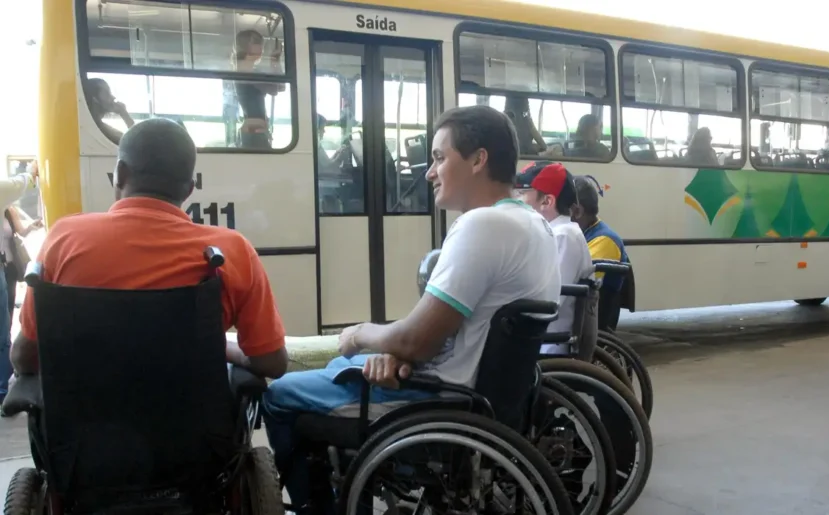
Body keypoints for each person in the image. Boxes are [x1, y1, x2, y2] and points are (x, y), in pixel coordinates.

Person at [262, 105, 561, 508]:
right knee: (336, 371)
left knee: (280, 395)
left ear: (478, 160)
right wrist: (397, 353)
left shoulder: (482, 226)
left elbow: (416, 340)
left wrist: (361, 333)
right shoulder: (535, 225)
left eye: (439, 158)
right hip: (483, 397)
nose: (429, 172)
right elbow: (442, 333)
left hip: (441, 403)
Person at [9, 118, 288, 383]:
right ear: (190, 190)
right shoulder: (231, 251)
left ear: (120, 173)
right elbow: (271, 363)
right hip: (196, 431)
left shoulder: (64, 239)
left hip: (79, 432)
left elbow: (23, 357)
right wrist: (223, 349)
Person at [514, 161, 592, 354]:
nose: (516, 200)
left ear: (547, 201)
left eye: (522, 193)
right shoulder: (557, 232)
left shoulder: (562, 236)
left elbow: (549, 302)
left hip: (547, 345)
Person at [0, 163, 41, 407]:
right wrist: (32, 173)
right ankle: (3, 390)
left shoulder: (9, 208)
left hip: (8, 268)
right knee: (3, 333)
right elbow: (19, 183)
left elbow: (20, 231)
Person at [570, 175, 629, 330]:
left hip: (590, 323)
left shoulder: (604, 239)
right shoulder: (585, 232)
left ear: (577, 211)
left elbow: (575, 279)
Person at [234, 30, 285, 149]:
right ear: (246, 45)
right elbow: (275, 89)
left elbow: (280, 87)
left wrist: (275, 62)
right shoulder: (246, 71)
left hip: (255, 129)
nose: (261, 47)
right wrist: (275, 62)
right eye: (257, 42)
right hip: (254, 131)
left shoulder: (250, 71)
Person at [85, 78, 136, 143]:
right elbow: (136, 141)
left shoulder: (95, 125)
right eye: (107, 93)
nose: (113, 97)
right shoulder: (97, 128)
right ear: (95, 99)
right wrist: (124, 114)